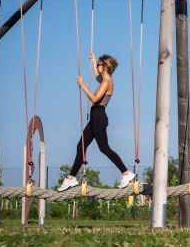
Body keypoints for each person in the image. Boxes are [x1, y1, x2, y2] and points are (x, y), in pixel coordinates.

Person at [58, 52, 136, 191]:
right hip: (96, 116)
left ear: (105, 67)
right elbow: (96, 76)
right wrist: (94, 61)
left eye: (100, 64)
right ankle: (71, 178)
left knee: (104, 148)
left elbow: (94, 99)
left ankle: (126, 173)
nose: (98, 67)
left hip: (99, 116)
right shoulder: (104, 79)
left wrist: (82, 85)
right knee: (80, 147)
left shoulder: (107, 82)